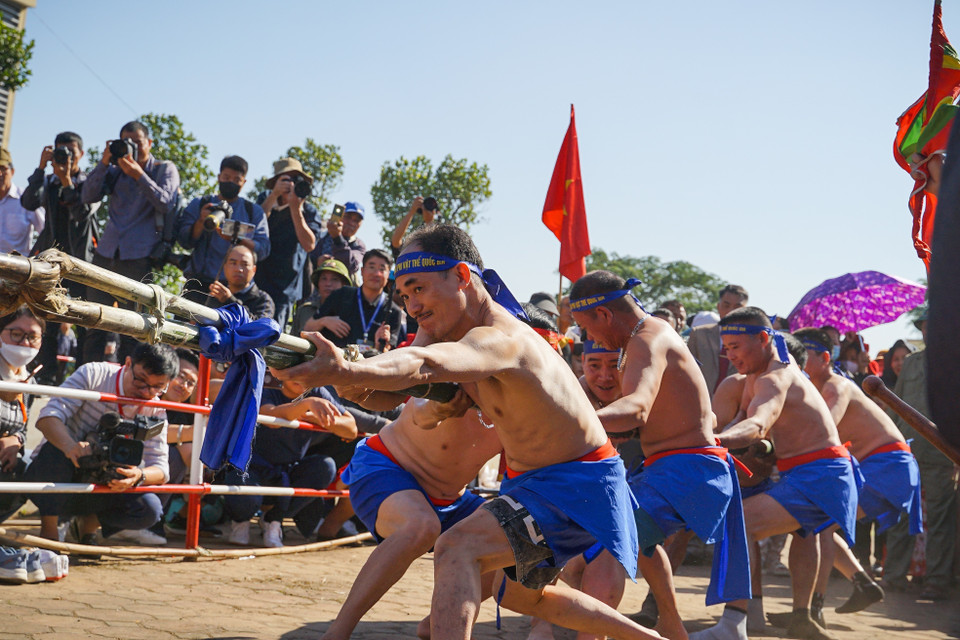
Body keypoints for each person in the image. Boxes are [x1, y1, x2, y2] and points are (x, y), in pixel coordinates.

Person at [274, 224, 656, 640]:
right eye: (404, 295)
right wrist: (342, 380)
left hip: (573, 481)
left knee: (457, 547)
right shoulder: (441, 327)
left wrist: (347, 369)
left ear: (460, 276)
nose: (413, 306)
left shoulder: (502, 338)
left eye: (418, 289)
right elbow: (395, 387)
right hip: (534, 482)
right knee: (520, 597)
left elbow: (424, 364)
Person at [570, 271, 750, 640]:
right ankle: (672, 627)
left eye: (587, 328)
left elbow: (636, 409)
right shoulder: (651, 337)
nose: (591, 339)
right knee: (641, 544)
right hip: (679, 469)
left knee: (610, 541)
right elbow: (695, 414)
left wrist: (568, 420)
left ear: (604, 315)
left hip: (687, 472)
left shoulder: (646, 339)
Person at [694, 307, 857, 640]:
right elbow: (743, 421)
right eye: (726, 346)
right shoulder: (758, 376)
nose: (729, 354)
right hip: (810, 474)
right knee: (800, 532)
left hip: (822, 475)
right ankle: (799, 617)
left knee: (738, 521)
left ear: (764, 339)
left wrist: (709, 442)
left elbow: (757, 425)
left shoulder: (776, 375)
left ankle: (734, 622)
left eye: (736, 346)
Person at [320, 389, 500, 639]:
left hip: (453, 499)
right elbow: (421, 412)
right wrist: (438, 408)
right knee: (421, 526)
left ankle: (438, 620)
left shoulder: (526, 403)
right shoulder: (460, 365)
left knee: (517, 537)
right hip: (386, 465)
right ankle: (338, 631)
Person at [787, 328, 921, 623]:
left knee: (819, 524)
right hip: (880, 466)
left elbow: (824, 432)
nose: (794, 360)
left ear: (825, 358)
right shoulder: (817, 388)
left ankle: (812, 611)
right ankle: (862, 584)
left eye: (802, 354)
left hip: (887, 467)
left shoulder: (836, 385)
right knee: (820, 522)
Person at [26, 343, 178, 547]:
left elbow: (161, 468)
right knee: (56, 451)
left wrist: (137, 476)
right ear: (128, 363)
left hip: (106, 482)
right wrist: (71, 447)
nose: (146, 391)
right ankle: (49, 532)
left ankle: (87, 526)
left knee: (150, 509)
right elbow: (48, 417)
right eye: (140, 380)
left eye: (158, 387)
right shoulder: (94, 374)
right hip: (66, 470)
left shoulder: (156, 408)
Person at [80, 121, 180, 364]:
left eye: (138, 142)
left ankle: (128, 382)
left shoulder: (164, 168)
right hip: (106, 252)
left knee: (134, 327)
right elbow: (87, 196)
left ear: (150, 143)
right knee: (94, 322)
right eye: (127, 142)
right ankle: (86, 376)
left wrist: (139, 175)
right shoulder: (114, 171)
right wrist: (104, 162)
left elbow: (166, 202)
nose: (132, 148)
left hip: (138, 257)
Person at [222, 379, 356, 547]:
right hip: (252, 467)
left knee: (324, 467)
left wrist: (316, 417)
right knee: (242, 488)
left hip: (288, 471)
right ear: (281, 372)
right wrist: (307, 404)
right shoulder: (266, 386)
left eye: (307, 372)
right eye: (294, 369)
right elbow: (270, 416)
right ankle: (240, 521)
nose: (300, 377)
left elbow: (351, 428)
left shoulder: (317, 392)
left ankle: (274, 520)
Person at [883, 313, 956, 601]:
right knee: (901, 516)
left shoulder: (953, 362)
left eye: (933, 325)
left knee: (939, 519)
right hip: (908, 451)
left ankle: (937, 580)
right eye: (924, 327)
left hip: (942, 452)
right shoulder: (911, 362)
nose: (928, 331)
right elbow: (896, 406)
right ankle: (893, 576)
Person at [178, 155, 270, 302]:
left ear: (244, 182)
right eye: (226, 177)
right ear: (219, 177)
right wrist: (202, 221)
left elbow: (263, 249)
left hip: (233, 290)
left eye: (236, 180)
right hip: (196, 284)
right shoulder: (201, 203)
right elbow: (184, 240)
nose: (230, 183)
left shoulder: (253, 212)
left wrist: (237, 239)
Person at [254, 158, 322, 331]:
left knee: (273, 334)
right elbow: (253, 227)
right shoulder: (265, 200)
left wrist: (295, 208)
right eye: (285, 179)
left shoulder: (308, 210)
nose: (291, 184)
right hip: (258, 278)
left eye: (295, 179)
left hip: (286, 286)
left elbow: (309, 245)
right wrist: (273, 196)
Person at [0, 307, 45, 521]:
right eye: (16, 334)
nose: (25, 343)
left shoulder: (30, 381)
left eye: (33, 337)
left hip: (5, 462)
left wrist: (15, 440)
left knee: (33, 469)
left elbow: (23, 428)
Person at [314, 249, 403, 352]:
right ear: (362, 271)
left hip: (369, 365)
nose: (376, 273)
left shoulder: (394, 311)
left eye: (382, 269)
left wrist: (380, 346)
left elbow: (388, 354)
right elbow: (308, 328)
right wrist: (324, 321)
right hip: (334, 364)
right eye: (372, 267)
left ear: (388, 275)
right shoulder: (342, 294)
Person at [686, 285, 749, 395]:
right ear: (718, 306)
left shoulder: (752, 340)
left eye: (737, 307)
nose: (731, 311)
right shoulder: (699, 334)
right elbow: (686, 371)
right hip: (698, 402)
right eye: (726, 305)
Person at [205, 244, 275, 320]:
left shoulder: (263, 299)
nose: (238, 269)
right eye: (233, 263)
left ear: (254, 270)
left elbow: (260, 327)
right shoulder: (216, 293)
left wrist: (229, 301)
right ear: (224, 267)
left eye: (245, 264)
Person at [290, 258, 352, 337]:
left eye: (334, 279)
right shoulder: (305, 310)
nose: (328, 284)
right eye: (324, 278)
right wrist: (322, 322)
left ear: (344, 285)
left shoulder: (353, 312)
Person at [0, 147, 44, 255]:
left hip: (17, 268)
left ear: (12, 171)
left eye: (3, 168)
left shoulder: (26, 198)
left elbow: (46, 232)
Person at [313, 201, 368, 277]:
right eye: (348, 217)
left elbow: (351, 265)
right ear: (340, 216)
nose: (351, 223)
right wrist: (316, 262)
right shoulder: (321, 235)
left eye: (356, 220)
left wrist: (337, 237)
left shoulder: (358, 245)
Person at [388, 195, 437, 261]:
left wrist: (429, 222)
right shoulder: (406, 252)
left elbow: (434, 245)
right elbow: (395, 241)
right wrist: (412, 211)